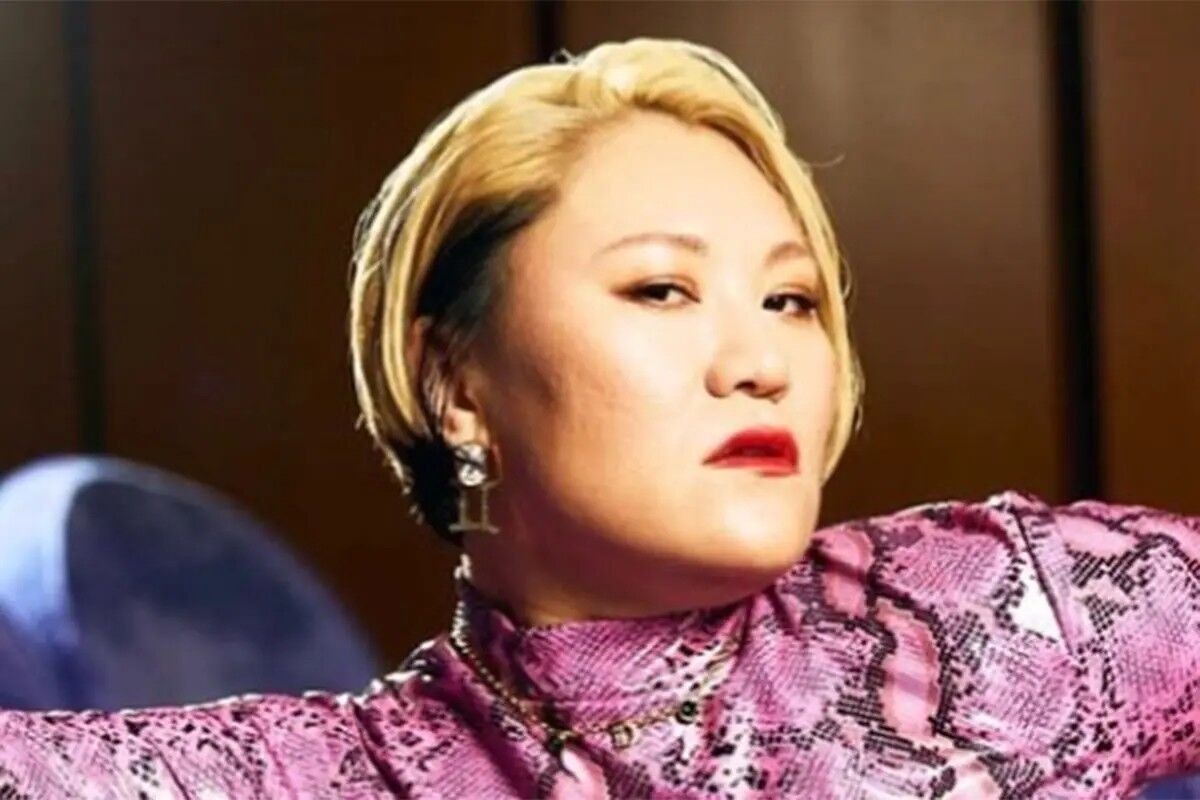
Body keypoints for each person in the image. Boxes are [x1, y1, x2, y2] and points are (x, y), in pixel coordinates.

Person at [2, 36, 1197, 800]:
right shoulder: (326, 776)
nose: (760, 360)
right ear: (453, 380)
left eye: (791, 300)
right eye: (662, 289)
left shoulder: (1021, 615)